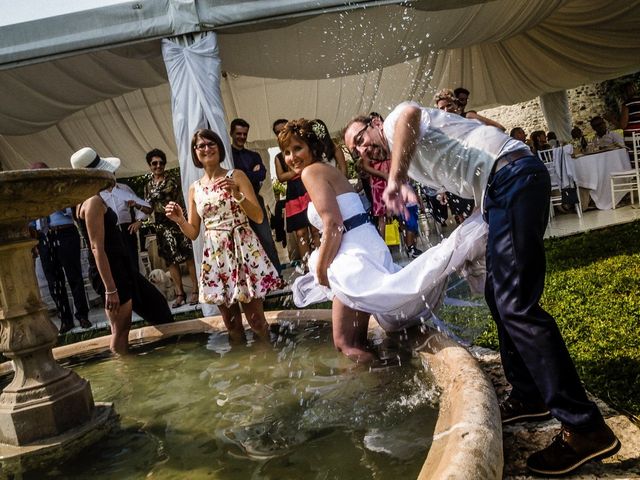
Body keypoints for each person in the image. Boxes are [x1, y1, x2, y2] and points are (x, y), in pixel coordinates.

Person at [344, 102, 620, 476]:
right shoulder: (406, 153)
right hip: (504, 187)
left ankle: (585, 428)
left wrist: (396, 179)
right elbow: (468, 166)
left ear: (376, 124)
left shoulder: (395, 122)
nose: (363, 149)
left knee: (516, 306)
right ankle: (528, 394)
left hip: (513, 179)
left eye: (362, 138)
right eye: (355, 149)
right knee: (498, 294)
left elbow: (408, 113)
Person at [281, 118, 487, 363]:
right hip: (365, 249)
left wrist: (321, 268)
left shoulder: (311, 172)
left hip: (352, 257)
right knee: (359, 341)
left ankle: (376, 387)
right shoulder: (328, 169)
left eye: (297, 148)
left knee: (345, 343)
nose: (292, 157)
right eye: (286, 152)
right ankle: (382, 375)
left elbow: (333, 225)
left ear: (312, 147)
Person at [165, 129, 280, 342]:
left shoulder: (236, 176)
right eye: (201, 146)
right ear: (195, 152)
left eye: (211, 144)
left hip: (243, 250)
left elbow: (258, 216)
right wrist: (180, 220)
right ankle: (242, 371)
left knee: (255, 320)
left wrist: (238, 196)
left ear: (219, 147)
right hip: (216, 257)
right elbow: (193, 233)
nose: (207, 149)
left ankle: (268, 368)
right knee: (232, 324)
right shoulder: (194, 188)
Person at [71, 148, 133, 354]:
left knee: (119, 328)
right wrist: (111, 288)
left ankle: (124, 368)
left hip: (111, 267)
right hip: (110, 269)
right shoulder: (94, 202)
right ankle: (124, 372)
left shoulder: (80, 201)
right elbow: (97, 247)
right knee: (120, 329)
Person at [29, 162, 91, 333]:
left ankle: (82, 315)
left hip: (65, 233)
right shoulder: (30, 195)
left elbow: (74, 211)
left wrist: (56, 199)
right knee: (53, 280)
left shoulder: (61, 189)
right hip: (44, 237)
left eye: (41, 173)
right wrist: (34, 243)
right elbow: (31, 223)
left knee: (74, 276)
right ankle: (65, 319)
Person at [361, 112, 422, 258]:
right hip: (379, 181)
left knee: (406, 210)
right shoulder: (368, 143)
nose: (377, 124)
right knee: (382, 216)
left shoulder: (389, 136)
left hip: (395, 175)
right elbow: (365, 165)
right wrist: (382, 174)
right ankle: (384, 249)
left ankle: (410, 246)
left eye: (378, 121)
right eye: (373, 122)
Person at [144, 148, 199, 308]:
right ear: (150, 165)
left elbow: (160, 197)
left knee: (187, 257)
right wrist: (137, 206)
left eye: (161, 163)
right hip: (161, 227)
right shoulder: (147, 186)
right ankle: (180, 293)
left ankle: (196, 290)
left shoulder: (172, 180)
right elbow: (149, 207)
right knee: (171, 261)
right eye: (154, 163)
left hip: (177, 223)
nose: (158, 166)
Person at [229, 118, 282, 273]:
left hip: (254, 200)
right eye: (238, 133)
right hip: (234, 203)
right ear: (231, 133)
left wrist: (244, 176)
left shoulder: (253, 155)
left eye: (244, 134)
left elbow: (262, 174)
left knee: (265, 238)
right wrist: (251, 174)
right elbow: (233, 178)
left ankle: (277, 275)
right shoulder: (227, 156)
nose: (241, 137)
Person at [273, 118, 320, 264]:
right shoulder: (279, 157)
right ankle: (307, 264)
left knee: (315, 227)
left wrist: (294, 170)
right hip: (293, 193)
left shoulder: (302, 147)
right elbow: (281, 177)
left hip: (308, 186)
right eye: (278, 131)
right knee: (301, 232)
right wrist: (297, 169)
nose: (281, 132)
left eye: (284, 129)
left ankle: (322, 262)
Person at [100, 182, 152, 272]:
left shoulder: (124, 188)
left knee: (133, 260)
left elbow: (141, 205)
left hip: (127, 229)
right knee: (117, 263)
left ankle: (136, 284)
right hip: (110, 231)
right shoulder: (98, 193)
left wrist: (140, 221)